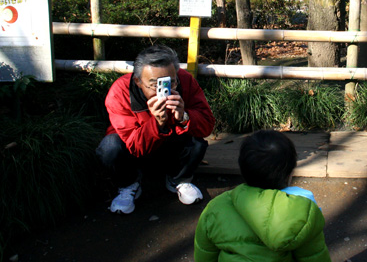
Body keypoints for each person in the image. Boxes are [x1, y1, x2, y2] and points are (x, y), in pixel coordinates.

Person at [96, 44, 215, 214]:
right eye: (154, 84)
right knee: (109, 147)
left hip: (172, 145)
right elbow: (135, 146)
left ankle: (178, 179)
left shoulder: (185, 80)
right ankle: (129, 184)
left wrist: (184, 116)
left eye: (170, 82)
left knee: (196, 140)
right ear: (137, 81)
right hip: (135, 153)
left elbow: (207, 125)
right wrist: (156, 123)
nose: (163, 91)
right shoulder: (120, 91)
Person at [194, 130, 331, 262]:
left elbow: (204, 255)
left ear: (242, 167)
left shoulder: (215, 209)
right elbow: (314, 257)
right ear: (290, 173)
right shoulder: (304, 213)